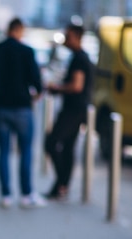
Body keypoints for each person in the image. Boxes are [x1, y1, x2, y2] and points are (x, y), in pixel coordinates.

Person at [0, 17, 46, 209]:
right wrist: (36, 94)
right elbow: (37, 82)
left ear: (8, 30)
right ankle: (26, 194)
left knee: (4, 151)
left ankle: (5, 195)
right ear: (20, 31)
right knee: (26, 152)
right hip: (22, 107)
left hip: (1, 107)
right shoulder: (27, 51)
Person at [44, 22, 93, 201]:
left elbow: (76, 86)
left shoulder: (79, 58)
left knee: (51, 142)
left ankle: (61, 183)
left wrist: (57, 88)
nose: (65, 38)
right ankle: (61, 186)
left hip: (74, 109)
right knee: (67, 148)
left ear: (77, 37)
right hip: (76, 109)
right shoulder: (80, 57)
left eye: (68, 35)